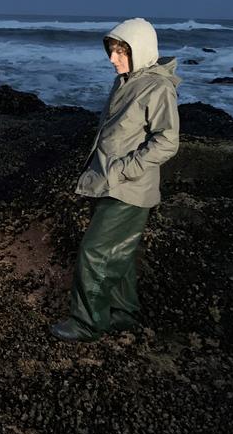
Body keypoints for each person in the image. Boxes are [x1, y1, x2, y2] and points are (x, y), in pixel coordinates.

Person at [51, 18, 180, 342]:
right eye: (112, 50)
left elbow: (167, 141)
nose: (113, 58)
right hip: (109, 182)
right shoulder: (125, 80)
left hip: (129, 187)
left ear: (141, 51)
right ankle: (123, 313)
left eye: (122, 51)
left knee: (94, 253)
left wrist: (123, 168)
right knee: (118, 251)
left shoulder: (158, 87)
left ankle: (87, 323)